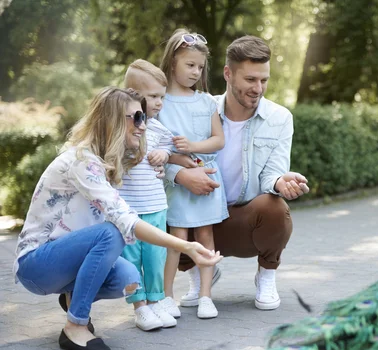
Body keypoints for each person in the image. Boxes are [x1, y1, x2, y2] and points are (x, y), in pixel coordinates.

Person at [13, 87, 223, 350]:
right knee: (112, 233)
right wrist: (188, 247)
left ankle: (72, 297)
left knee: (129, 278)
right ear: (111, 120)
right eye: (135, 117)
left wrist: (180, 167)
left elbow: (157, 160)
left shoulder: (107, 161)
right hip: (36, 264)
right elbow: (126, 221)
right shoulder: (82, 161)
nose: (142, 125)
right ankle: (75, 325)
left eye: (143, 117)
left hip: (65, 258)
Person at [165, 35, 310, 311]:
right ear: (228, 74)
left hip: (243, 220)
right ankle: (199, 275)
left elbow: (272, 174)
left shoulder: (280, 118)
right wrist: (180, 175)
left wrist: (281, 182)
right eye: (250, 80)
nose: (258, 88)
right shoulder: (199, 107)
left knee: (275, 209)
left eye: (263, 80)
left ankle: (266, 275)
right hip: (197, 215)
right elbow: (161, 155)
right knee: (159, 211)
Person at [158, 29, 228, 319]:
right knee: (176, 238)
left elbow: (218, 140)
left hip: (208, 175)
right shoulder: (160, 102)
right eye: (189, 65)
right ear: (173, 61)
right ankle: (166, 297)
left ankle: (206, 297)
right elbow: (155, 147)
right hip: (177, 183)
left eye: (200, 67)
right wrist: (179, 158)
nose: (195, 72)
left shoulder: (206, 102)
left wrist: (193, 146)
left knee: (205, 234)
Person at [119, 59, 181, 331]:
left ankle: (156, 301)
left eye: (162, 97)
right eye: (153, 96)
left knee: (156, 257)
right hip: (129, 210)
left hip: (156, 205)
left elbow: (169, 146)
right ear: (133, 95)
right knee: (131, 260)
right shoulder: (122, 129)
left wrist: (165, 155)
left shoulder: (158, 128)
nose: (159, 103)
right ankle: (139, 307)